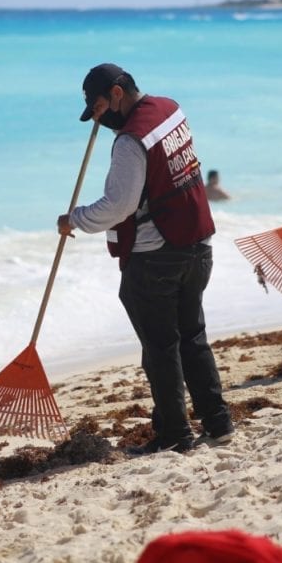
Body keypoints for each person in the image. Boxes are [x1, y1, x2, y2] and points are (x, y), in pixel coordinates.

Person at [57, 63, 233, 454]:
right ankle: (218, 423)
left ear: (117, 94)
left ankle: (175, 435)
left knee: (160, 349)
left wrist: (75, 219)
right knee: (192, 337)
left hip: (157, 257)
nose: (97, 118)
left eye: (98, 107)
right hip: (198, 244)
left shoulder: (130, 141)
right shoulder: (170, 109)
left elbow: (119, 205)